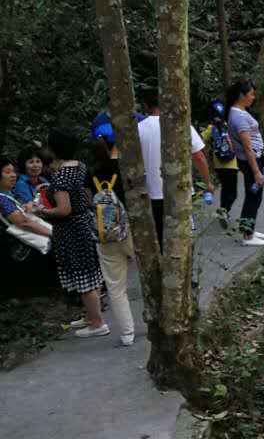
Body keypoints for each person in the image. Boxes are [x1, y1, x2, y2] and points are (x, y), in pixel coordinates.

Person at [37, 128, 109, 338]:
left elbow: (63, 209)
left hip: (71, 230)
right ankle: (90, 316)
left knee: (83, 277)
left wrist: (42, 212)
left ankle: (97, 322)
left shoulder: (61, 178)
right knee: (90, 274)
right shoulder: (79, 167)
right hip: (84, 223)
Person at [137, 88, 216, 250]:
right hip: (180, 190)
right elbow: (199, 156)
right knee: (183, 239)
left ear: (146, 105)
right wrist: (208, 183)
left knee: (160, 239)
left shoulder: (138, 129)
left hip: (152, 194)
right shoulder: (179, 123)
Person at [87, 135, 137, 346]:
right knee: (152, 271)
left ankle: (127, 333)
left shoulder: (90, 177)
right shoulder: (123, 167)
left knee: (116, 286)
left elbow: (89, 204)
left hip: (105, 236)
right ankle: (157, 319)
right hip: (130, 231)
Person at [227, 80, 264, 246]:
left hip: (248, 160)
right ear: (241, 95)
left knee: (254, 195)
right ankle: (247, 235)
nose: (253, 97)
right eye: (251, 94)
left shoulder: (237, 113)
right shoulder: (239, 117)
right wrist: (257, 172)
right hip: (251, 160)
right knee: (254, 197)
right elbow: (247, 147)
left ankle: (249, 229)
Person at [201, 100, 240, 230]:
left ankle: (224, 211)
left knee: (225, 188)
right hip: (231, 163)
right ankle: (224, 211)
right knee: (233, 192)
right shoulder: (229, 126)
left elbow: (201, 141)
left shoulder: (211, 128)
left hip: (218, 164)